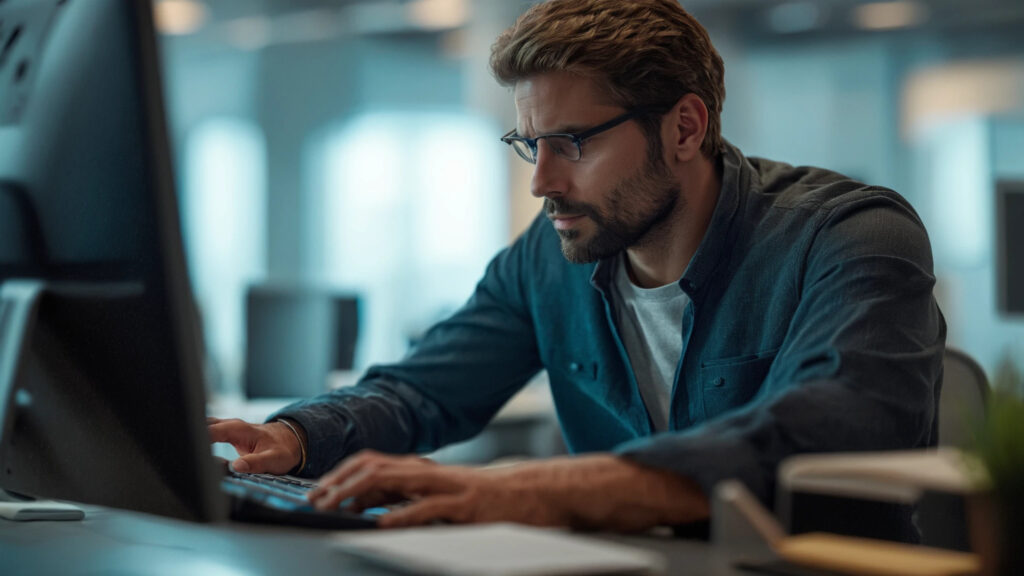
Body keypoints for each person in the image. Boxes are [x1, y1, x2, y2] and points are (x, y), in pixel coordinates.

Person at [208, 0, 945, 535]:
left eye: (573, 143)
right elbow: (421, 391)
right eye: (530, 145)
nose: (542, 181)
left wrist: (539, 489)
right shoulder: (551, 253)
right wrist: (294, 439)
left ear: (684, 128)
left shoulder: (849, 235)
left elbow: (829, 430)